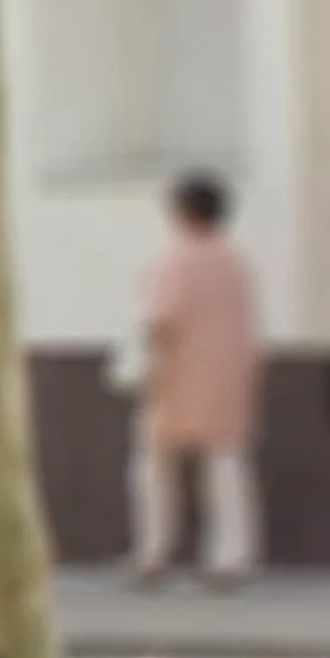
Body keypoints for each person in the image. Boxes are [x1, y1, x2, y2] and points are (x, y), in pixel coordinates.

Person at [127, 171, 262, 590]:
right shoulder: (236, 265)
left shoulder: (174, 261)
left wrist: (141, 363)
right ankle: (231, 557)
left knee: (155, 469)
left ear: (182, 212)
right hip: (226, 378)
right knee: (226, 465)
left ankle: (154, 553)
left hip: (176, 377)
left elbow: (160, 320)